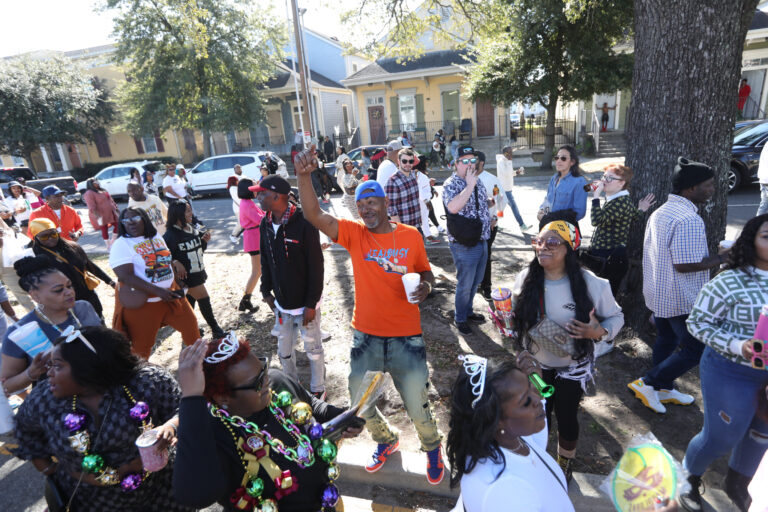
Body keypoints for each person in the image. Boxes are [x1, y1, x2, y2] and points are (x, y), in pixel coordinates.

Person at [296, 147, 444, 484]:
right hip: (367, 335)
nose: (366, 209)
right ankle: (386, 440)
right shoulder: (354, 234)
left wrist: (426, 288)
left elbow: (426, 274)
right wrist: (304, 177)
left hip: (407, 336)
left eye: (372, 202)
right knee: (359, 402)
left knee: (417, 401)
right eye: (361, 205)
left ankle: (432, 446)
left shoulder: (410, 236)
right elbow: (314, 214)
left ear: (385, 203)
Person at [13, 325, 191, 512]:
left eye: (57, 366)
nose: (48, 373)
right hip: (90, 501)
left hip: (161, 492)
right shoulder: (44, 399)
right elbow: (25, 430)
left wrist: (170, 426)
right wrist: (48, 469)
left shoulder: (146, 383)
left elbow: (184, 409)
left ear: (88, 368)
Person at [173, 336, 362, 511]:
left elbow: (313, 405)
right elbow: (195, 495)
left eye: (263, 369)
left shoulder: (276, 382)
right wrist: (191, 398)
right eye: (256, 382)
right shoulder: (213, 433)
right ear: (222, 397)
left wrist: (340, 417)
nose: (266, 381)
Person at [511, 220, 624, 481]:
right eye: (538, 241)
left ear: (570, 247)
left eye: (552, 242)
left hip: (573, 366)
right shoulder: (526, 279)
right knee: (537, 414)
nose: (542, 248)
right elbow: (514, 321)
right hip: (537, 365)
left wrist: (598, 332)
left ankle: (564, 464)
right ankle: (538, 460)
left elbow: (616, 317)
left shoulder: (592, 284)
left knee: (566, 415)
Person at [679, 215, 768, 512]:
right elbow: (697, 323)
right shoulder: (730, 279)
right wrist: (738, 346)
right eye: (767, 237)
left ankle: (738, 483)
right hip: (731, 370)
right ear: (751, 242)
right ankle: (687, 477)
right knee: (722, 435)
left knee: (762, 432)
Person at [628, 157, 724, 414]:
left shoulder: (661, 211)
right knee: (695, 349)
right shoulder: (688, 220)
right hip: (680, 297)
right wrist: (724, 258)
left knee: (667, 339)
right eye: (709, 185)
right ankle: (649, 383)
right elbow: (685, 264)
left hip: (659, 293)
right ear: (690, 188)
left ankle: (663, 388)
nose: (712, 189)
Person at [447, 354, 574, 512]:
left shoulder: (510, 439)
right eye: (526, 401)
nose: (537, 398)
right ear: (496, 419)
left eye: (531, 387)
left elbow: (537, 445)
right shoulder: (504, 490)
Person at [254, 175, 326, 399]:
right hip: (282, 305)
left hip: (305, 305)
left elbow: (316, 266)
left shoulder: (304, 223)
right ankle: (291, 385)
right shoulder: (265, 223)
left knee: (313, 350)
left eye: (262, 193)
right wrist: (266, 291)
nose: (258, 197)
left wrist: (311, 304)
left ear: (276, 196)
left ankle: (318, 389)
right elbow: (265, 259)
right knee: (284, 351)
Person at [1, 256, 100, 396]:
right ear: (35, 296)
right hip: (59, 402)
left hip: (99, 387)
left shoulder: (83, 308)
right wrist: (32, 373)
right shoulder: (19, 332)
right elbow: (6, 387)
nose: (69, 292)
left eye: (69, 285)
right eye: (58, 290)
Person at [109, 207, 199, 359]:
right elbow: (125, 276)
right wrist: (158, 291)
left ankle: (202, 365)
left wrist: (177, 281)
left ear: (144, 219)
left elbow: (166, 260)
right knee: (142, 347)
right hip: (145, 304)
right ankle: (139, 378)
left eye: (135, 218)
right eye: (125, 220)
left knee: (192, 328)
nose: (130, 223)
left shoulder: (156, 235)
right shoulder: (121, 244)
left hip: (171, 297)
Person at [584, 165, 656, 303]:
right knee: (598, 297)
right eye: (604, 176)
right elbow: (633, 217)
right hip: (606, 255)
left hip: (610, 257)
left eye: (610, 178)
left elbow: (596, 220)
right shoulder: (618, 200)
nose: (604, 180)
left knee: (603, 300)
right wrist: (640, 210)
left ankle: (604, 324)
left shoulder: (620, 202)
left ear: (622, 183)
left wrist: (596, 196)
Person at [442, 145, 491, 335]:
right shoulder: (451, 184)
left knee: (475, 281)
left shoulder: (477, 181)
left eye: (473, 160)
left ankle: (467, 311)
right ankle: (460, 318)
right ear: (456, 164)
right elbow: (453, 207)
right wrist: (469, 185)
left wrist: (489, 211)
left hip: (482, 238)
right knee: (465, 283)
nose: (470, 164)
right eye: (465, 161)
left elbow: (475, 205)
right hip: (463, 243)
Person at [29, 218, 115, 318]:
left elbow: (89, 265)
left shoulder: (72, 247)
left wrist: (110, 281)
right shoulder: (35, 257)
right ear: (36, 238)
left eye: (53, 234)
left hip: (86, 293)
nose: (50, 238)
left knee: (99, 320)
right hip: (63, 300)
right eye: (44, 236)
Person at [163, 201, 225, 339]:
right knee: (204, 298)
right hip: (186, 277)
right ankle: (216, 330)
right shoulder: (170, 235)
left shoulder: (191, 228)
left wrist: (204, 241)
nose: (191, 214)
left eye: (190, 210)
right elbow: (162, 258)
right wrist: (175, 262)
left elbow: (198, 250)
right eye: (187, 211)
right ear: (178, 214)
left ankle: (190, 330)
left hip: (198, 271)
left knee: (190, 303)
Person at [477, 152, 508, 300]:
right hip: (470, 226)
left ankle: (486, 287)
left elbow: (501, 200)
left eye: (474, 160)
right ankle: (476, 283)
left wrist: (496, 217)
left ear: (481, 162)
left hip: (489, 225)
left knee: (485, 254)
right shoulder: (464, 178)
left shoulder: (491, 180)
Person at [538, 145, 588, 224]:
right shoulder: (554, 178)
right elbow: (548, 200)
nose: (558, 161)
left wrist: (553, 219)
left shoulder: (580, 182)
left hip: (564, 229)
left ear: (572, 162)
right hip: (547, 225)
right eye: (557, 158)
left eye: (563, 158)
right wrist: (542, 211)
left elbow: (580, 212)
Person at [236, 178, 264, 313]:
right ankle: (245, 300)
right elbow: (260, 219)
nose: (256, 189)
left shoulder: (248, 202)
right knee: (257, 271)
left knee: (259, 271)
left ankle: (245, 301)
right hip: (254, 239)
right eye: (253, 187)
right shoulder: (247, 204)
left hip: (255, 238)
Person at [495, 146, 531, 232]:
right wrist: (510, 161)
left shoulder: (506, 161)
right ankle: (522, 225)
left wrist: (517, 172)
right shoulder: (502, 162)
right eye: (509, 152)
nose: (511, 154)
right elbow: (507, 174)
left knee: (500, 208)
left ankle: (494, 224)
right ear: (505, 153)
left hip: (505, 188)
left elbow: (509, 173)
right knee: (513, 207)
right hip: (503, 189)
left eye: (511, 152)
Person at [386, 148, 422, 230]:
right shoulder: (392, 181)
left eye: (411, 161)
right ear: (399, 161)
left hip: (417, 226)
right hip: (404, 229)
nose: (408, 164)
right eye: (404, 161)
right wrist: (402, 231)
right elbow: (391, 210)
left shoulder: (413, 176)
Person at [82, 178, 119, 248]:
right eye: (95, 182)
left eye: (97, 181)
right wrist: (97, 216)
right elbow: (91, 206)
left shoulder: (102, 190)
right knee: (104, 229)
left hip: (111, 212)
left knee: (118, 225)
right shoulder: (89, 193)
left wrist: (115, 207)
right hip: (100, 214)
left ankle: (112, 242)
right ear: (91, 184)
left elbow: (110, 200)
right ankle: (108, 246)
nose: (98, 183)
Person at [228, 164, 244, 243]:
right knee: (240, 223)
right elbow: (238, 199)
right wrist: (244, 206)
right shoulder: (232, 188)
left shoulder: (235, 187)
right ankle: (233, 235)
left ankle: (241, 233)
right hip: (238, 208)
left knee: (243, 222)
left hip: (241, 207)